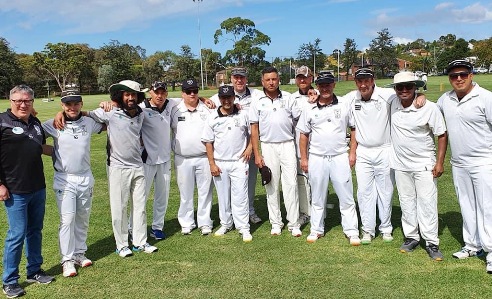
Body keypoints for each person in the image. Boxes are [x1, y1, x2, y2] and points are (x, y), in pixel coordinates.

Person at [89, 80, 157, 257]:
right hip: (118, 167)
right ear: (121, 96)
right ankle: (121, 244)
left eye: (133, 95)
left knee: (140, 207)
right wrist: (104, 104)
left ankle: (140, 242)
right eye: (127, 95)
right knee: (120, 207)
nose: (130, 98)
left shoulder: (140, 114)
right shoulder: (110, 112)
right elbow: (83, 114)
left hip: (138, 166)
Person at [437, 59, 492, 273]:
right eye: (453, 75)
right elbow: (433, 112)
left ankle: (491, 251)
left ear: (471, 75)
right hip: (459, 163)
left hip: (484, 161)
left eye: (462, 74)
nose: (458, 79)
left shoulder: (486, 97)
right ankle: (472, 244)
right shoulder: (445, 99)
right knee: (466, 205)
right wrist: (420, 97)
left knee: (487, 207)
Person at [1, 85, 54, 298]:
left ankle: (34, 271)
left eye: (27, 101)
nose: (23, 104)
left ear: (32, 102)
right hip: (15, 190)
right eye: (18, 101)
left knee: (35, 231)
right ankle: (10, 281)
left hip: (37, 187)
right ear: (10, 101)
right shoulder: (2, 122)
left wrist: (70, 150)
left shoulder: (35, 122)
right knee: (16, 234)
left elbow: (41, 147)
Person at [42, 92, 104, 277]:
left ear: (81, 104)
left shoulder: (88, 122)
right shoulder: (53, 124)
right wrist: (55, 152)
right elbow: (33, 139)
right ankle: (67, 260)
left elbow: (110, 123)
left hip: (86, 176)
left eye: (76, 103)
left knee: (83, 217)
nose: (72, 107)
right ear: (62, 105)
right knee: (67, 219)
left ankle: (79, 253)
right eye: (68, 104)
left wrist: (91, 111)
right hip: (64, 178)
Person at [388, 72, 447, 260]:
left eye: (409, 86)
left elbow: (442, 134)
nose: (404, 90)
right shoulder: (392, 102)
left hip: (424, 164)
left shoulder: (429, 107)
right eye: (400, 87)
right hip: (401, 164)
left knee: (427, 203)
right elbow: (366, 90)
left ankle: (431, 242)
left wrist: (439, 162)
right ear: (395, 89)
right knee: (406, 202)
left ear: (416, 87)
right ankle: (411, 237)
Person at [297, 72, 361, 245]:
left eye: (328, 84)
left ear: (334, 85)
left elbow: (354, 129)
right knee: (317, 196)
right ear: (317, 86)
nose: (325, 88)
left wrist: (352, 152)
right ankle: (316, 229)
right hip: (317, 157)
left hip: (340, 156)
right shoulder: (309, 108)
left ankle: (351, 231)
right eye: (322, 85)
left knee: (346, 195)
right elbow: (303, 135)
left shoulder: (344, 104)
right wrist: (304, 159)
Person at [249, 66, 302, 237]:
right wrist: (257, 154)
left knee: (291, 184)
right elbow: (254, 129)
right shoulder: (257, 101)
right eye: (268, 80)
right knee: (271, 184)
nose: (271, 82)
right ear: (262, 81)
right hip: (268, 145)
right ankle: (276, 223)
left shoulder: (288, 98)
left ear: (279, 79)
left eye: (274, 79)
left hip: (287, 145)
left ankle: (293, 223)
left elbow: (298, 121)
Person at [211, 67, 264, 224]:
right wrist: (201, 99)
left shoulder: (257, 95)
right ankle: (231, 216)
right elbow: (205, 105)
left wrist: (251, 148)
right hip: (230, 151)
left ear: (246, 79)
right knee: (229, 186)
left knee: (250, 182)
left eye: (242, 77)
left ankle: (250, 211)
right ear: (231, 79)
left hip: (250, 147)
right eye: (236, 77)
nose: (239, 80)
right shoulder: (217, 97)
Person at [202, 85, 253, 242]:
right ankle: (225, 224)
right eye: (223, 98)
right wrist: (212, 164)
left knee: (241, 196)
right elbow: (208, 142)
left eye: (229, 97)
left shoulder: (243, 114)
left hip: (239, 162)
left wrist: (250, 148)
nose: (226, 101)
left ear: (234, 98)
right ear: (219, 99)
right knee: (223, 196)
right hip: (220, 162)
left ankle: (243, 227)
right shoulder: (212, 117)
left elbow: (252, 134)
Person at [171, 78, 214, 235]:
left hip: (204, 157)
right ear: (182, 93)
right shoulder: (174, 108)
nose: (192, 94)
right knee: (185, 193)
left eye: (195, 91)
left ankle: (205, 222)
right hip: (182, 158)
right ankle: (187, 222)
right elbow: (157, 99)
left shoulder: (207, 109)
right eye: (188, 91)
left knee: (205, 192)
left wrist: (204, 100)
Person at [137, 81, 177, 240]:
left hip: (165, 159)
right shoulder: (141, 107)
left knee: (162, 196)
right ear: (150, 93)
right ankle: (134, 227)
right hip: (146, 159)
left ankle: (157, 227)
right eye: (156, 92)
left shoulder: (170, 104)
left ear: (166, 93)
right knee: (141, 196)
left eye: (163, 92)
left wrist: (202, 98)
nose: (159, 96)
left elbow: (189, 97)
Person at [291, 65, 317, 226]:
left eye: (305, 77)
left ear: (311, 78)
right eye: (299, 77)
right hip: (298, 145)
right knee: (301, 180)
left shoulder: (320, 94)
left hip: (317, 145)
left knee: (317, 180)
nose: (302, 80)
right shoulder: (291, 98)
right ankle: (305, 212)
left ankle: (318, 212)